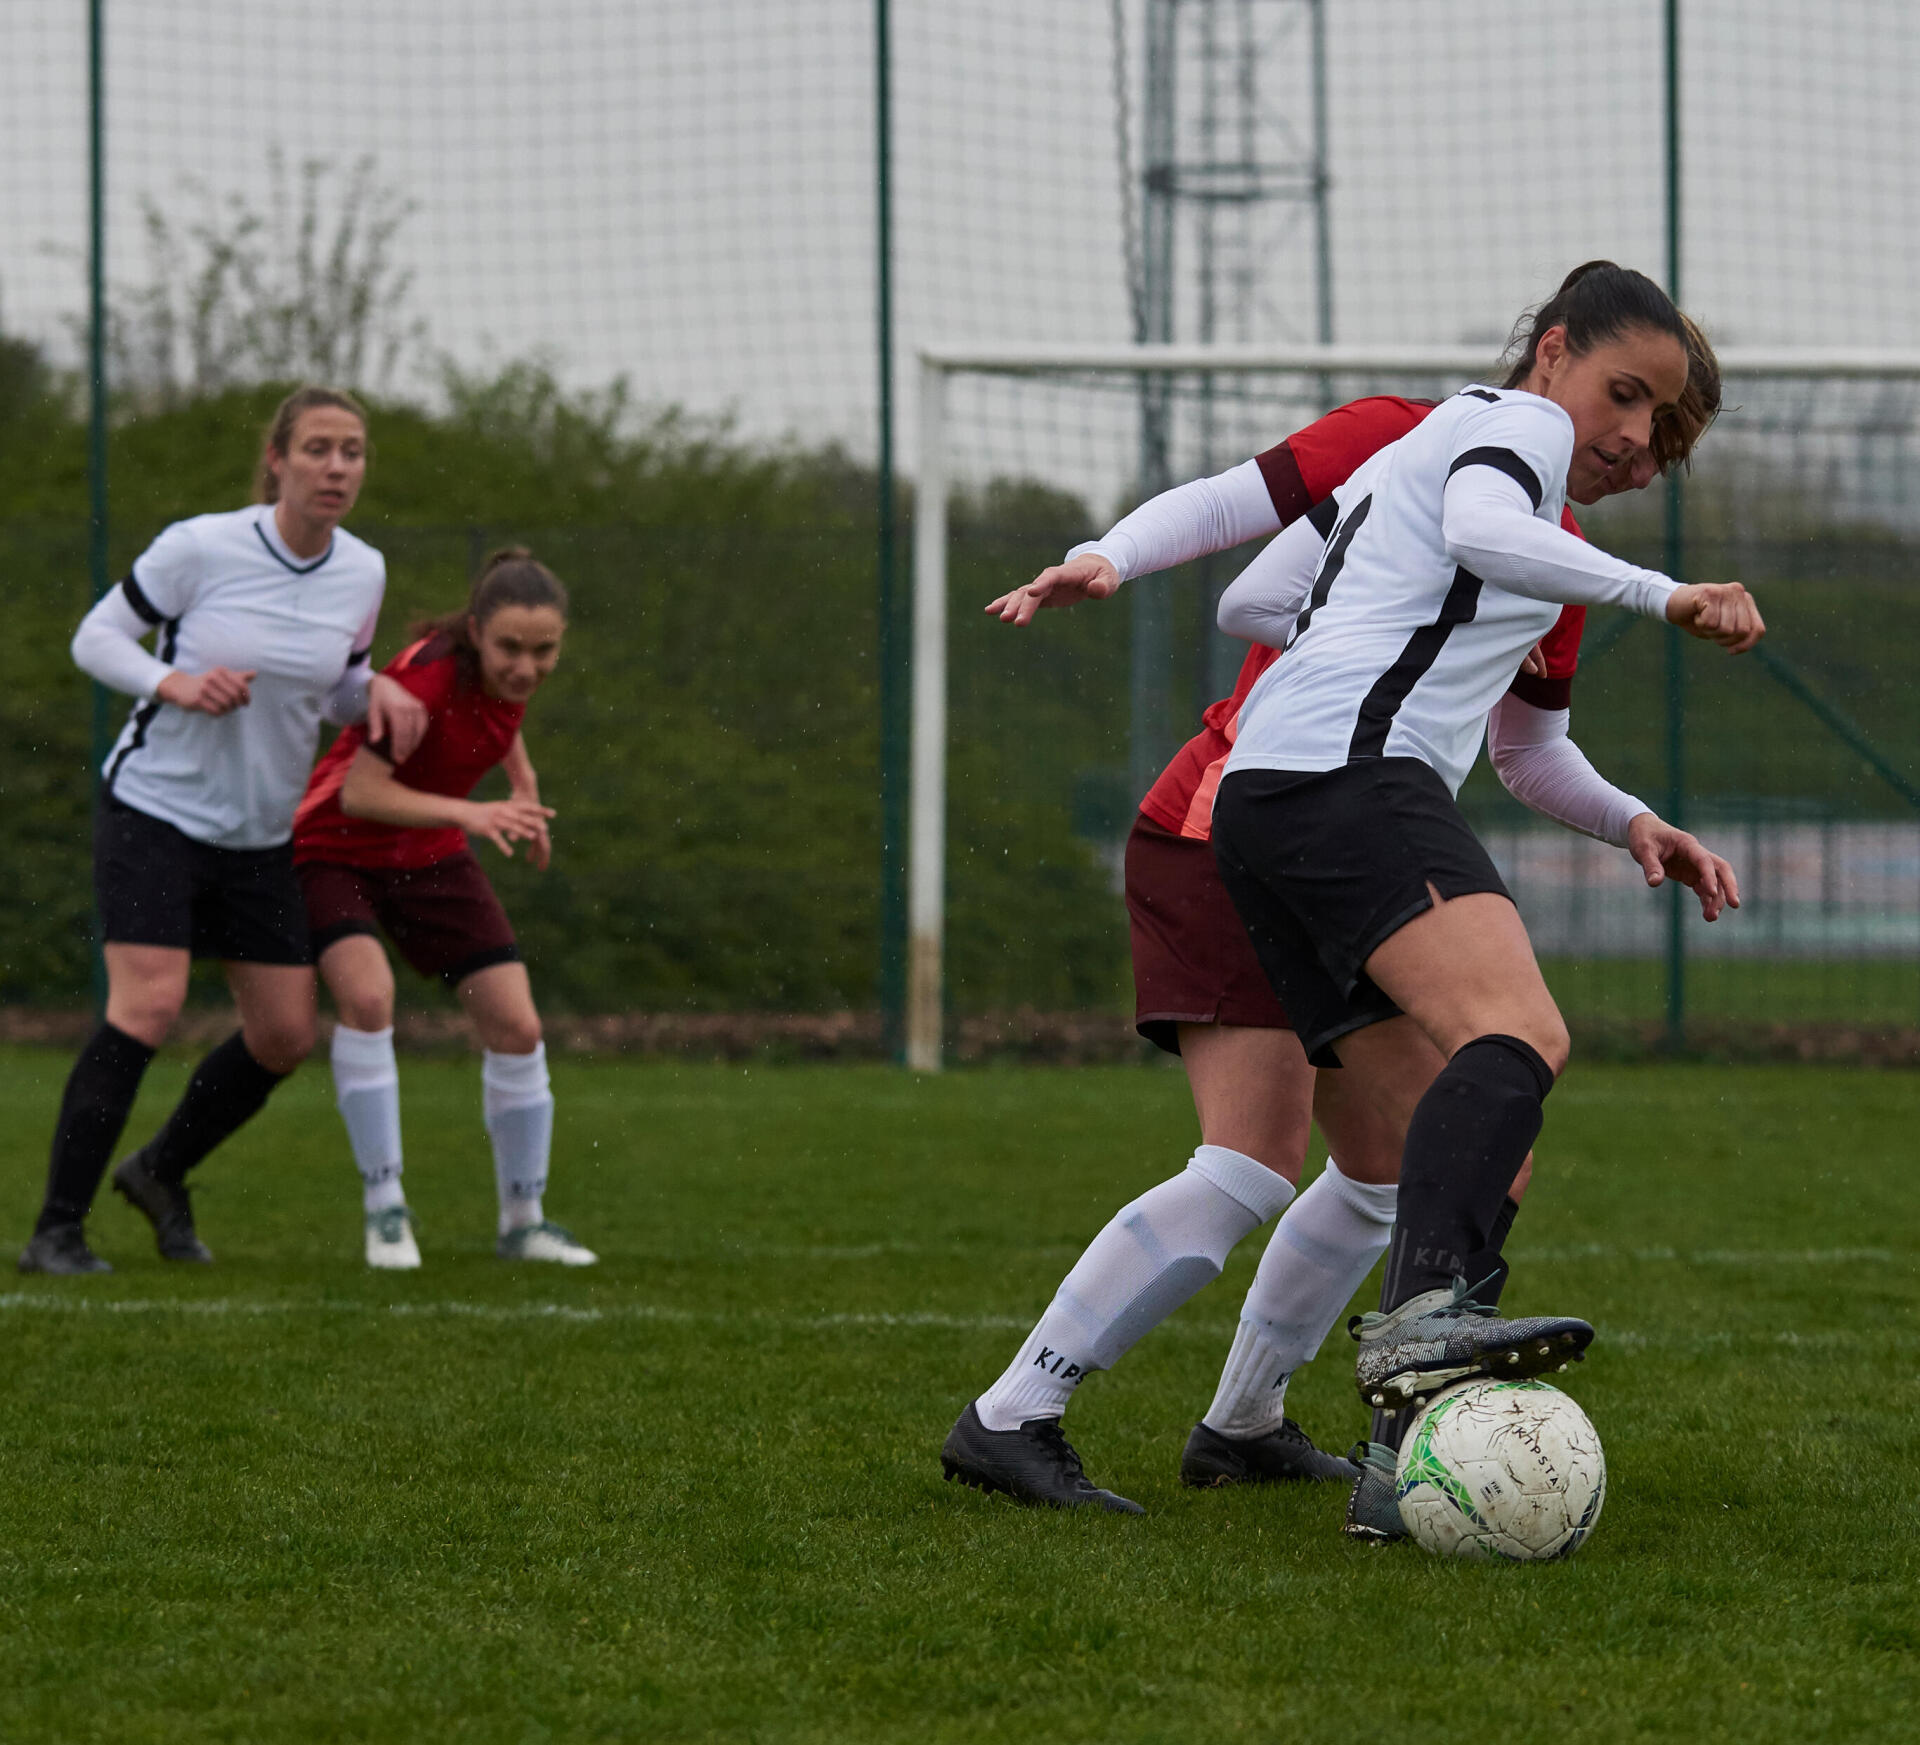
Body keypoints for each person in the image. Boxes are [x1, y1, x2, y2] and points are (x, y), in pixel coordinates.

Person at [940, 287, 1737, 1515]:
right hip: (1296, 796)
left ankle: (1353, 1453)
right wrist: (1660, 591)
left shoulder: (1536, 532)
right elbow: (1274, 532)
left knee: (1408, 1158)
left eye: (1666, 426)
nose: (1638, 436)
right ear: (1553, 351)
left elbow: (1516, 744)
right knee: (1452, 1070)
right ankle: (1022, 1409)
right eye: (1625, 395)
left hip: (1292, 793)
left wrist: (1634, 819)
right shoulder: (1487, 437)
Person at [19, 386, 427, 1274]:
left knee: (284, 1035)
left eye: (352, 451)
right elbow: (96, 639)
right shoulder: (199, 546)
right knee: (150, 1003)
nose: (336, 467)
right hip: (155, 810)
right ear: (277, 459)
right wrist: (174, 684)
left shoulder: (362, 571)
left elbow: (338, 687)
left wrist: (382, 691)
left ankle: (161, 1171)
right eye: (317, 448)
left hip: (259, 834)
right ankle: (56, 1229)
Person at [292, 548, 596, 1270]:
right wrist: (474, 812)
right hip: (333, 847)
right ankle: (385, 1209)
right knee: (369, 1000)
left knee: (517, 1024)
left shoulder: (504, 676)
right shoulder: (428, 674)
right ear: (476, 630)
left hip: (424, 853)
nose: (525, 667)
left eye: (544, 651)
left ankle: (523, 1220)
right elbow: (359, 794)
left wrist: (524, 790)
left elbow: (504, 720)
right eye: (511, 649)